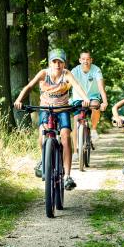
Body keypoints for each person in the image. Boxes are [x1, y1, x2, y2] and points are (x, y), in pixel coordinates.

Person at [14, 49, 90, 191]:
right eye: (55, 61)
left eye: (60, 62)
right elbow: (29, 87)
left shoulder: (67, 74)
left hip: (62, 110)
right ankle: (44, 161)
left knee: (66, 137)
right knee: (42, 135)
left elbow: (77, 87)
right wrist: (19, 100)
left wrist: (86, 99)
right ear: (50, 63)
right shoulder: (44, 73)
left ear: (64, 63)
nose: (57, 64)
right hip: (46, 109)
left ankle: (67, 176)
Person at [70, 51, 108, 161]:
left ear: (91, 60)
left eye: (88, 59)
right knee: (76, 120)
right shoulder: (75, 71)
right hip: (78, 98)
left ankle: (94, 129)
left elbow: (101, 87)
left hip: (92, 97)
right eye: (83, 59)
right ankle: (76, 151)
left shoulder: (96, 70)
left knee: (96, 106)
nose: (86, 61)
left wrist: (104, 102)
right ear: (80, 60)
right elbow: (69, 84)